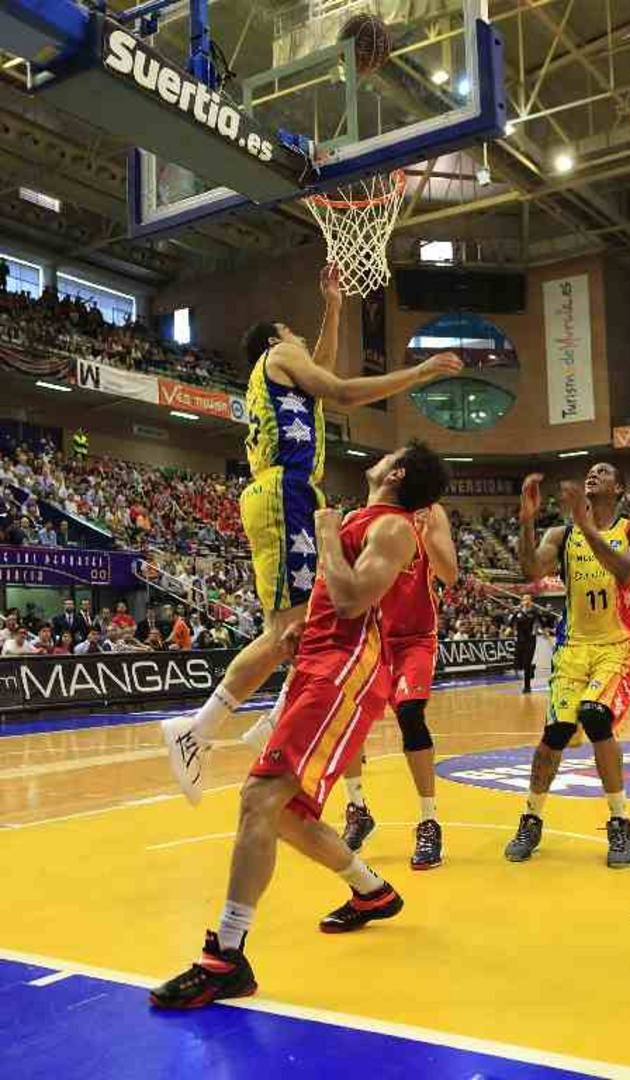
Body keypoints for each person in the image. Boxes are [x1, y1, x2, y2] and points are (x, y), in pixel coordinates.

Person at [150, 441, 449, 1009]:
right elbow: (339, 604)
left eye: (391, 455)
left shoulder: (394, 527)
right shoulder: (370, 521)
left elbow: (354, 598)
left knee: (258, 798)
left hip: (342, 678)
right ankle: (371, 892)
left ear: (398, 471)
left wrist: (328, 534)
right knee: (284, 813)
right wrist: (303, 630)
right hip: (321, 663)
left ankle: (225, 958)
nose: (380, 459)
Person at [161, 263, 461, 802]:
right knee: (288, 630)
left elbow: (322, 378)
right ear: (278, 339)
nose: (301, 340)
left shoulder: (286, 378)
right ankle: (197, 730)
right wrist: (417, 374)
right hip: (285, 490)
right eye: (295, 332)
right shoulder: (277, 355)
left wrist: (334, 306)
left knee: (307, 624)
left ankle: (268, 721)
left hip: (290, 491)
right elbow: (342, 391)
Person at [504, 464, 630, 869]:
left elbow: (623, 573)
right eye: (590, 471)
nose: (593, 474)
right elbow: (531, 569)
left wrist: (586, 526)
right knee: (555, 732)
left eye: (603, 471)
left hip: (615, 646)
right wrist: (527, 521)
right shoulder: (561, 534)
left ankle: (620, 822)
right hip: (573, 648)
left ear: (618, 487)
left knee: (595, 715)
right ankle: (531, 816)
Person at [341, 502, 458, 869]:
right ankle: (357, 810)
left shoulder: (429, 514)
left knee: (410, 714)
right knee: (348, 720)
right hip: (372, 638)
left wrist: (425, 537)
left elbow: (449, 574)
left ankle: (429, 821)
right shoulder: (358, 520)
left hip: (416, 638)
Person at [510, 593, 540, 694]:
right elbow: (511, 624)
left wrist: (539, 631)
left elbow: (540, 623)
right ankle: (531, 669)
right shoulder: (517, 612)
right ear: (521, 601)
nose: (526, 601)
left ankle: (527, 686)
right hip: (519, 640)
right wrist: (510, 631)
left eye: (528, 599)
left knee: (527, 663)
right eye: (524, 599)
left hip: (530, 640)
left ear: (531, 601)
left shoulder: (534, 612)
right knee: (519, 663)